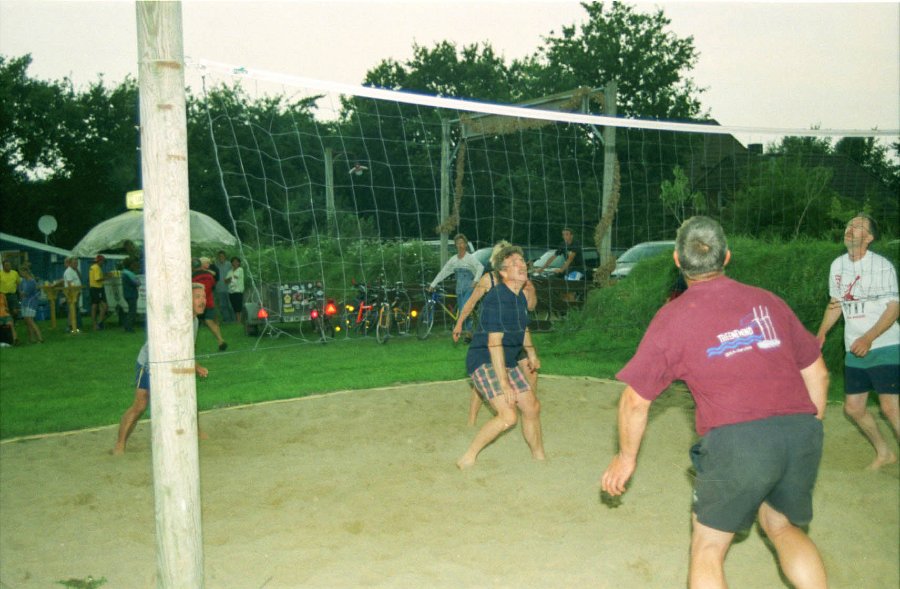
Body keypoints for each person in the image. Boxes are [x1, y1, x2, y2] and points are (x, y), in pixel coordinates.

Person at [601, 216, 829, 589]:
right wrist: (808, 428)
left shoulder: (673, 318)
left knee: (707, 547)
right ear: (726, 257)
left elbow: (634, 401)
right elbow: (818, 374)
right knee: (781, 526)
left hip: (738, 442)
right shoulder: (768, 301)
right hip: (800, 432)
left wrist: (625, 458)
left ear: (677, 260)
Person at [816, 213, 899, 470]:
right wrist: (821, 334)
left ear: (869, 237)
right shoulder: (837, 266)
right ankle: (885, 453)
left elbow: (894, 308)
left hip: (885, 345)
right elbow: (835, 304)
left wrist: (868, 338)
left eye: (858, 226)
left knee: (890, 407)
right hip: (854, 348)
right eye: (849, 225)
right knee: (853, 408)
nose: (850, 229)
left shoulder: (881, 266)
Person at [457, 245, 544, 469]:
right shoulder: (496, 298)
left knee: (532, 407)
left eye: (522, 261)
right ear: (503, 272)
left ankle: (539, 457)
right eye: (514, 263)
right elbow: (494, 343)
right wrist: (504, 384)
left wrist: (531, 352)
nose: (521, 265)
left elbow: (523, 328)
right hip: (483, 360)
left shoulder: (519, 297)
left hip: (508, 361)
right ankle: (468, 456)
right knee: (508, 416)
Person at [113, 282, 209, 455]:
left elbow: (187, 349)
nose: (202, 301)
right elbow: (166, 348)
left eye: (204, 297)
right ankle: (120, 444)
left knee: (188, 396)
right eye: (197, 297)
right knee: (140, 404)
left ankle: (195, 430)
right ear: (186, 300)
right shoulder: (174, 318)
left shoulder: (194, 321)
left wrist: (196, 366)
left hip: (173, 364)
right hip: (150, 363)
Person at [428, 234, 483, 337]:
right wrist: (433, 284)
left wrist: (475, 281)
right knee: (462, 310)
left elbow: (480, 267)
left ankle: (469, 332)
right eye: (458, 243)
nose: (460, 245)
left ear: (465, 244)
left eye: (462, 243)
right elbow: (443, 272)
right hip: (459, 289)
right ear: (456, 245)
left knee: (464, 309)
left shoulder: (470, 258)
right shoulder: (453, 260)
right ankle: (469, 331)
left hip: (470, 287)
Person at [191, 257, 227, 351]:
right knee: (210, 321)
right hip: (209, 301)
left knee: (193, 322)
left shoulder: (192, 277)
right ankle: (220, 340)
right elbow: (213, 286)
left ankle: (192, 345)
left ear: (192, 267)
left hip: (197, 303)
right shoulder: (209, 275)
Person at [17, 264, 43, 344]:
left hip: (31, 302)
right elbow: (20, 290)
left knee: (30, 320)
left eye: (21, 273)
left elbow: (25, 293)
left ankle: (40, 338)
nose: (21, 274)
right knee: (26, 321)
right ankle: (31, 339)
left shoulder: (32, 282)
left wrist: (22, 293)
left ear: (26, 272)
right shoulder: (23, 281)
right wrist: (21, 293)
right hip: (24, 302)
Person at [62, 256, 83, 332]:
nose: (76, 264)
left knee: (75, 309)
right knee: (71, 309)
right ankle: (70, 326)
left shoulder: (74, 270)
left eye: (77, 263)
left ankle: (75, 326)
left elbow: (80, 278)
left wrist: (76, 269)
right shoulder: (68, 271)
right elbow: (69, 283)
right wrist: (73, 291)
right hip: (71, 294)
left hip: (76, 292)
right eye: (74, 263)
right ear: (70, 263)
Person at [213, 250, 235, 323]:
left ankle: (234, 319)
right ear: (218, 257)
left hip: (229, 288)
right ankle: (227, 319)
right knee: (223, 305)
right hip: (219, 288)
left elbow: (234, 273)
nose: (221, 257)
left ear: (225, 257)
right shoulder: (216, 265)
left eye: (222, 256)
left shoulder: (229, 264)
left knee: (230, 304)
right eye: (220, 256)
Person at [121, 258, 141, 333]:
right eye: (133, 265)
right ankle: (129, 327)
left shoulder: (124, 273)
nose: (134, 266)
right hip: (131, 294)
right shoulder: (130, 274)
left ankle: (127, 326)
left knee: (130, 311)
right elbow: (137, 283)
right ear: (130, 265)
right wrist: (137, 280)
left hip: (127, 294)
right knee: (132, 311)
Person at [88, 254, 108, 330]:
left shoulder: (93, 267)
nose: (103, 263)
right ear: (100, 261)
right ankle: (97, 323)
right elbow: (97, 279)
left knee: (96, 306)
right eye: (103, 261)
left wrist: (104, 276)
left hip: (95, 288)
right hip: (96, 288)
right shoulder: (96, 268)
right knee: (100, 306)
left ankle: (97, 323)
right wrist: (106, 277)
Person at [226, 256, 245, 324]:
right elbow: (225, 281)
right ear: (231, 263)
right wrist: (230, 278)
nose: (235, 263)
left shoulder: (240, 269)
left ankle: (239, 320)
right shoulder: (230, 271)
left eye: (237, 261)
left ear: (239, 263)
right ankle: (237, 320)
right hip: (231, 291)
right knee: (234, 305)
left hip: (238, 290)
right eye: (233, 261)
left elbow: (236, 277)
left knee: (238, 306)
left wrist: (230, 278)